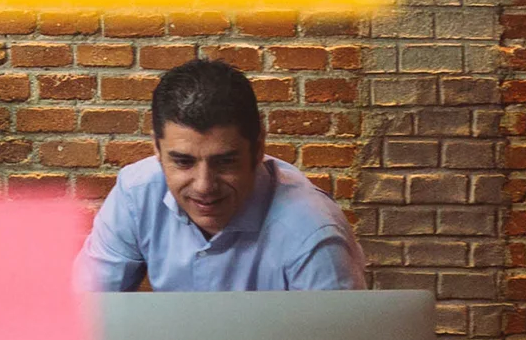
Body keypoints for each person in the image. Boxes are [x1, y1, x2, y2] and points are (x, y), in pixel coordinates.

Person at [76, 58, 363, 293]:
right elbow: (78, 315)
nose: (204, 186)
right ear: (157, 149)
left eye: (225, 162)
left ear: (259, 147)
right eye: (183, 162)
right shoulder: (135, 194)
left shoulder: (314, 236)